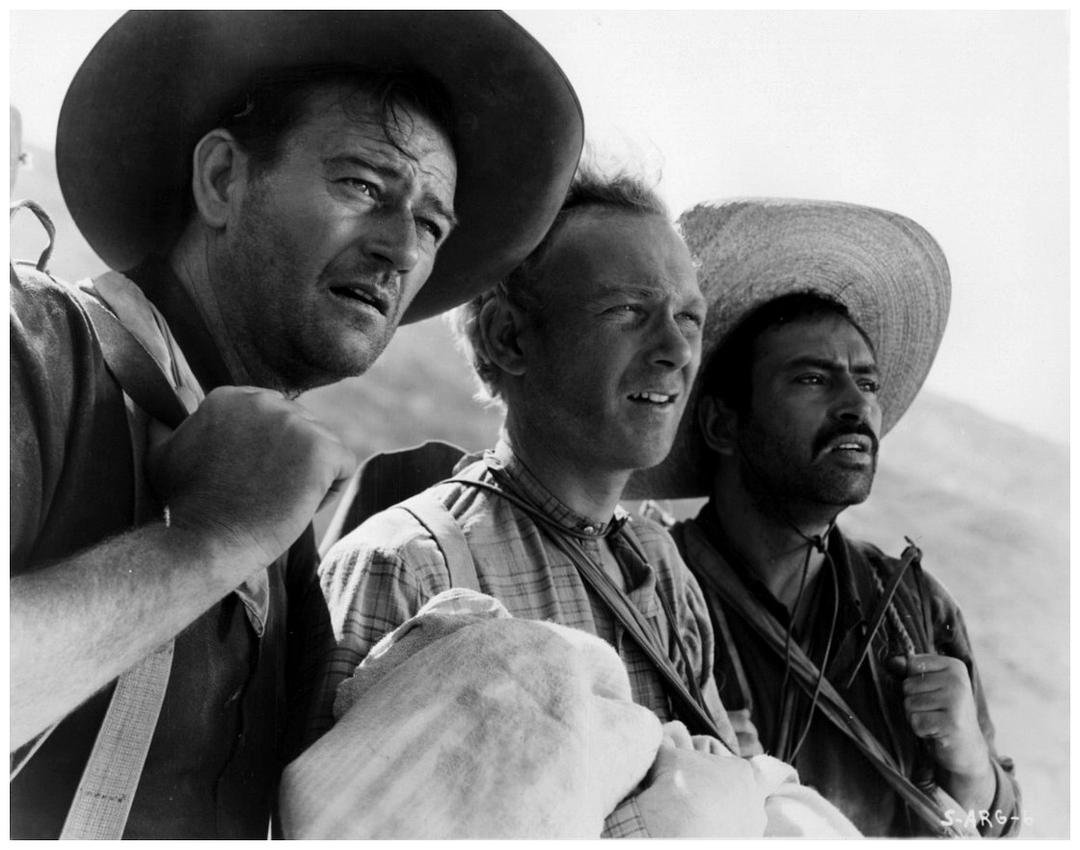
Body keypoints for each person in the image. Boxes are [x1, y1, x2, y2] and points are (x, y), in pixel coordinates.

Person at [9, 10, 583, 839]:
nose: (401, 251)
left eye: (430, 224)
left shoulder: (287, 521)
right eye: (362, 186)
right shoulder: (29, 343)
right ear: (222, 180)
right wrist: (208, 539)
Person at [318, 170, 772, 837]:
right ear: (509, 337)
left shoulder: (661, 567)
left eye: (689, 319)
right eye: (629, 311)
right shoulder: (411, 567)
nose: (677, 350)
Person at [627, 198, 1021, 837]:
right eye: (812, 379)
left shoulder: (915, 606)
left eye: (867, 383)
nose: (856, 407)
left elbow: (999, 824)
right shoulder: (650, 596)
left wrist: (973, 768)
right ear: (723, 423)